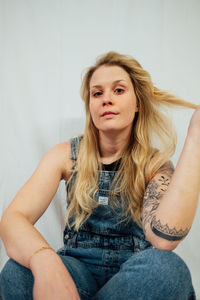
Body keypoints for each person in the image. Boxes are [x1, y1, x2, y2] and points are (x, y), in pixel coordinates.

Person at [0, 51, 199, 300]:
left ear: (137, 103)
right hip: (76, 274)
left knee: (167, 269)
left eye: (118, 90)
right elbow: (13, 219)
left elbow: (164, 240)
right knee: (17, 271)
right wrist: (43, 260)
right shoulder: (65, 156)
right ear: (90, 107)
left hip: (132, 279)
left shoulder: (154, 164)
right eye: (97, 93)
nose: (106, 99)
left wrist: (196, 136)